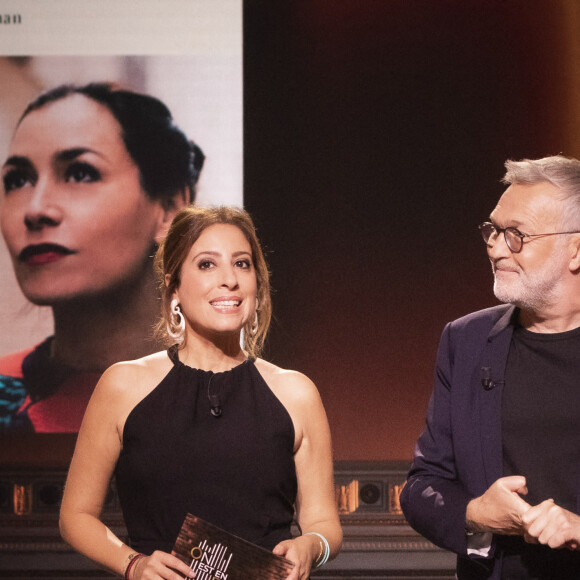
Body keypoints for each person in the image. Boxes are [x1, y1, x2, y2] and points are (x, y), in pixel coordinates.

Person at [59, 206, 342, 580]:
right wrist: (134, 564)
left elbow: (325, 524)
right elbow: (74, 516)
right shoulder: (123, 386)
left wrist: (312, 547)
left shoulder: (295, 393)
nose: (230, 280)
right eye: (207, 265)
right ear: (174, 286)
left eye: (242, 264)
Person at [400, 155, 580, 579]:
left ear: (576, 249)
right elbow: (422, 486)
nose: (496, 248)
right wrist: (476, 513)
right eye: (493, 231)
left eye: (517, 235)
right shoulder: (466, 341)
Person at [0, 83, 204, 433]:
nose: (35, 210)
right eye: (17, 180)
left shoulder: (239, 395)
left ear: (170, 208)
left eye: (80, 173)